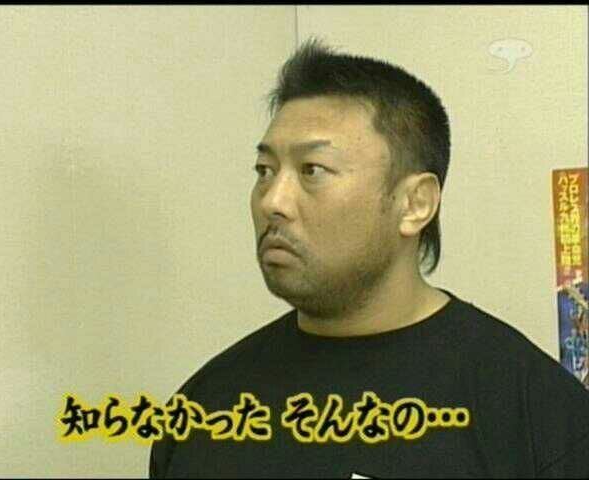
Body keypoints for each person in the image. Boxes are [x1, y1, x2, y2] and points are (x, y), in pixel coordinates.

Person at [149, 38, 589, 478]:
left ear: (415, 204)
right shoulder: (204, 409)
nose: (272, 201)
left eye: (312, 170)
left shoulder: (538, 416)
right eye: (265, 171)